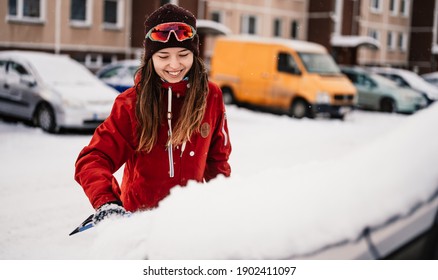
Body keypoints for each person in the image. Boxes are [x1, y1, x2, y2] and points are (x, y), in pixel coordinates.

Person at [74, 4, 232, 224]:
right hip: (141, 223)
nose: (174, 65)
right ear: (150, 59)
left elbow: (218, 161)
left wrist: (222, 203)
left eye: (183, 54)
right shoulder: (131, 103)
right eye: (163, 56)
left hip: (191, 221)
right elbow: (92, 159)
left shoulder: (211, 96)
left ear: (195, 55)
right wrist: (107, 202)